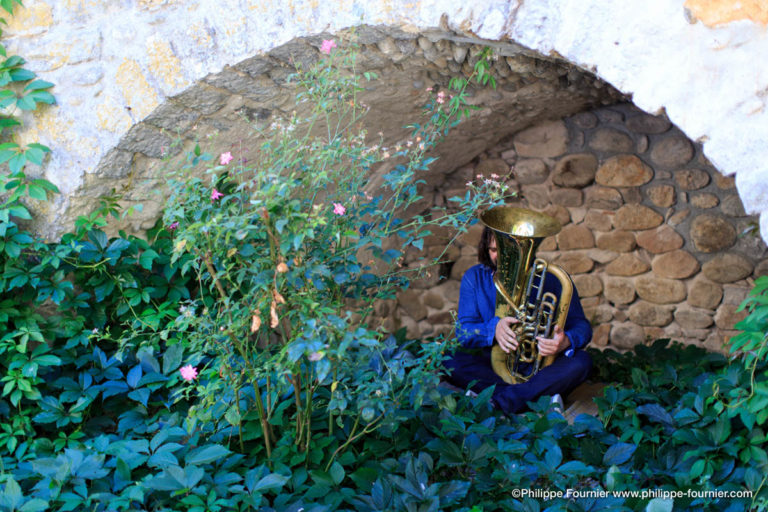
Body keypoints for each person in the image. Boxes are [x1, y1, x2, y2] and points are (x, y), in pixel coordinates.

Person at [444, 226, 593, 415]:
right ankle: (533, 396)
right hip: (492, 365)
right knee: (449, 360)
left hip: (543, 367)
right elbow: (463, 333)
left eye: (510, 252)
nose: (502, 258)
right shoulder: (475, 277)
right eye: (494, 250)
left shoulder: (552, 278)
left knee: (582, 362)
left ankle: (501, 401)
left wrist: (566, 341)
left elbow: (581, 325)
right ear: (485, 249)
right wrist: (493, 329)